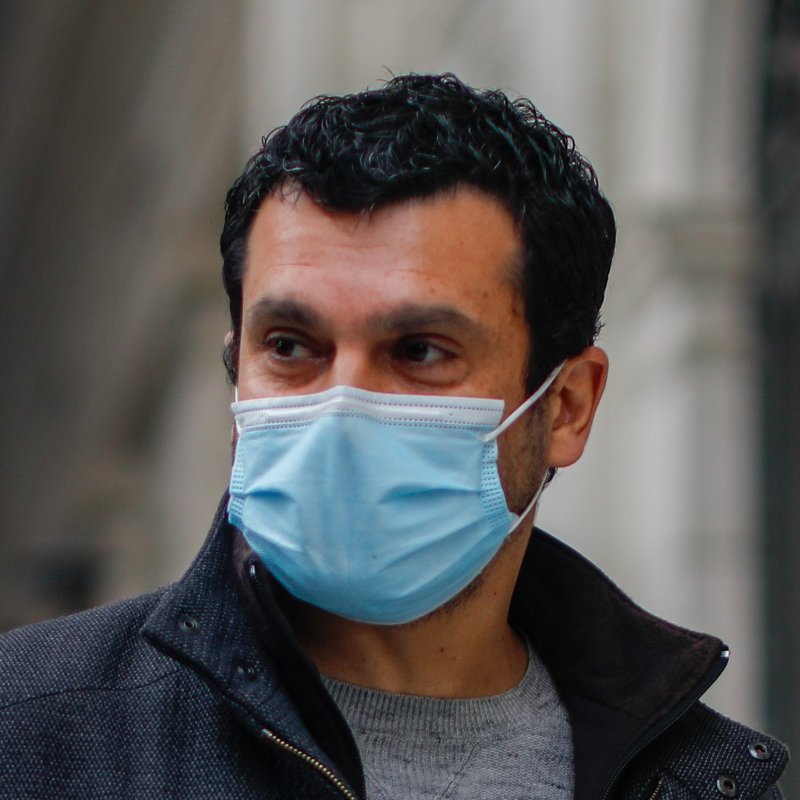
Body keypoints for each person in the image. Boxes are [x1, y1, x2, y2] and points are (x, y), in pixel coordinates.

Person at [0, 73, 787, 800]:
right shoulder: (35, 732)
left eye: (420, 352)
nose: (341, 408)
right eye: (290, 346)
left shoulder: (694, 781)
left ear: (568, 406)